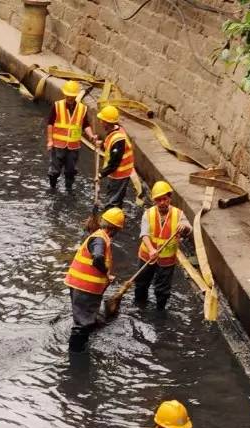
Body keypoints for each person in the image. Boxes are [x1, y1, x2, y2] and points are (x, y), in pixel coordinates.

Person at [65, 206, 124, 352]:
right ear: (115, 229)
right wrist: (106, 273)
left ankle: (81, 345)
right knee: (82, 324)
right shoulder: (100, 240)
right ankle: (76, 353)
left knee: (83, 320)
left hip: (81, 286)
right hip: (84, 288)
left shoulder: (99, 236)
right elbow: (97, 258)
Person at [134, 180, 192, 311]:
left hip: (166, 261)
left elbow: (189, 230)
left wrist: (185, 228)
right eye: (158, 200)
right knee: (141, 285)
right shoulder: (148, 214)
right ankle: (140, 307)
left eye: (164, 199)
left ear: (170, 198)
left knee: (162, 290)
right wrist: (151, 250)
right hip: (147, 257)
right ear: (154, 200)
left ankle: (160, 311)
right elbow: (144, 234)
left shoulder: (178, 214)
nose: (162, 203)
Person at [46, 80, 97, 192]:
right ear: (65, 94)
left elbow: (85, 125)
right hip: (58, 145)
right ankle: (52, 188)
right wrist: (50, 140)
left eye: (72, 96)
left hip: (73, 147)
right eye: (68, 96)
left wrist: (91, 135)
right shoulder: (57, 106)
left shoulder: (82, 109)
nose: (70, 98)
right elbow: (50, 124)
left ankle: (69, 189)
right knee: (55, 171)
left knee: (70, 171)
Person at [96, 105, 135, 209]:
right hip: (115, 173)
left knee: (114, 198)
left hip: (120, 173)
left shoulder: (118, 139)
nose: (100, 123)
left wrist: (100, 174)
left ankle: (111, 217)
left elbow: (114, 163)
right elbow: (110, 148)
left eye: (102, 120)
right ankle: (113, 210)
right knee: (113, 193)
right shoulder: (116, 130)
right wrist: (101, 144)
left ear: (107, 123)